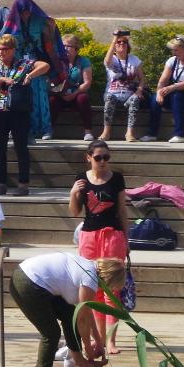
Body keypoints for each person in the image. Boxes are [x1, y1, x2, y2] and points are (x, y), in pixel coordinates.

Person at [10, 252, 122, 367]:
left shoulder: (88, 267)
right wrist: (88, 349)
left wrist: (98, 341)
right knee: (51, 333)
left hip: (28, 277)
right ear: (108, 280)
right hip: (28, 283)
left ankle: (79, 363)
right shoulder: (90, 279)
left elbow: (85, 313)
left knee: (70, 315)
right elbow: (82, 319)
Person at [69, 140, 131, 355]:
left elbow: (122, 211)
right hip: (89, 236)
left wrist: (127, 239)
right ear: (89, 158)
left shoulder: (117, 179)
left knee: (112, 290)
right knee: (92, 288)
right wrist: (73, 193)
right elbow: (75, 211)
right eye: (98, 157)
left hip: (113, 235)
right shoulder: (81, 178)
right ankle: (99, 339)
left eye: (106, 157)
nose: (103, 161)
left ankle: (111, 340)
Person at [0, 34, 49, 196]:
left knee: (21, 147)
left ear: (12, 49)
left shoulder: (24, 63)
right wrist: (2, 79)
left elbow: (45, 65)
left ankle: (23, 183)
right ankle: (1, 182)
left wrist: (30, 75)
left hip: (19, 110)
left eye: (5, 49)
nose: (1, 53)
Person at [0, 0, 66, 142]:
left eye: (27, 10)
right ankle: (23, 129)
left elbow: (51, 43)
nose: (25, 13)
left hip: (38, 65)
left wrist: (51, 31)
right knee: (17, 98)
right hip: (17, 67)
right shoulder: (11, 23)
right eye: (22, 11)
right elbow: (2, 42)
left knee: (40, 97)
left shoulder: (42, 22)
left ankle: (45, 128)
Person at [143, 35, 184, 144]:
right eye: (173, 50)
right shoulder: (172, 60)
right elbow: (163, 80)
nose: (174, 53)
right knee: (154, 99)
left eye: (176, 50)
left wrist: (173, 87)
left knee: (177, 97)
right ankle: (152, 134)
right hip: (177, 93)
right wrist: (159, 93)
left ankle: (179, 135)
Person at [101, 30, 147, 142]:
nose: (121, 44)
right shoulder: (112, 59)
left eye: (124, 42)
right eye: (118, 42)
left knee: (135, 99)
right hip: (113, 94)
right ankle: (106, 132)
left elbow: (142, 79)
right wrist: (115, 38)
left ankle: (129, 133)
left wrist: (139, 90)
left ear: (128, 46)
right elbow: (107, 61)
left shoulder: (134, 60)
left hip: (128, 95)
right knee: (109, 98)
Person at [51, 35, 96, 141]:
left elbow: (87, 82)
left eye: (68, 46)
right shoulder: (56, 61)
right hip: (60, 95)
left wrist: (73, 94)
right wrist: (59, 93)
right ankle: (49, 129)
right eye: (63, 46)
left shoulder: (83, 61)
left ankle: (88, 131)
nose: (65, 48)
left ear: (76, 49)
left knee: (83, 98)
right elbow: (50, 81)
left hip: (76, 95)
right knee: (51, 101)